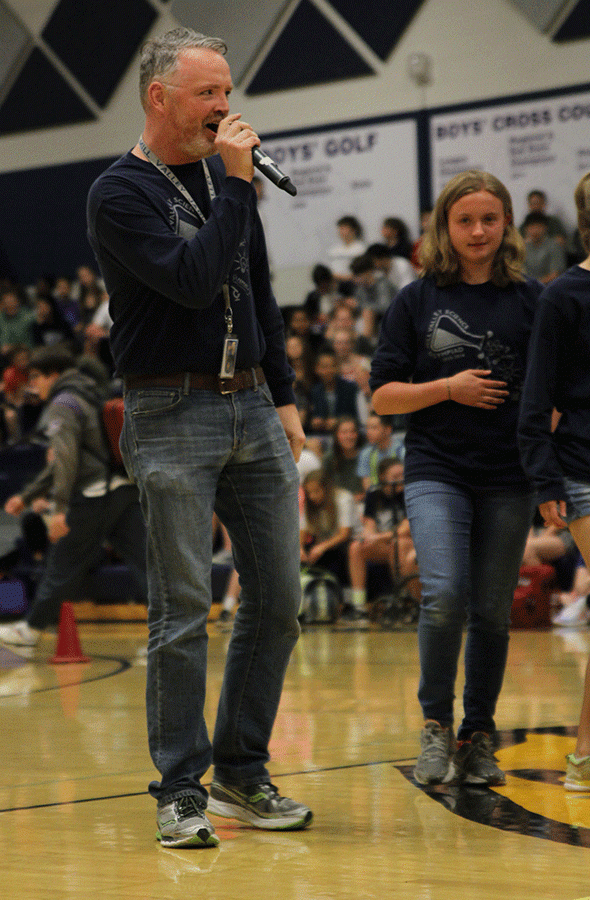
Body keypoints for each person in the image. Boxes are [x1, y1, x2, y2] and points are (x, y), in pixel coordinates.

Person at [86, 26, 312, 847]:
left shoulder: (224, 185)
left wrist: (284, 397)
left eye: (226, 91)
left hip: (252, 404)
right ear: (160, 97)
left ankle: (242, 774)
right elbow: (191, 282)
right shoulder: (121, 194)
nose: (225, 107)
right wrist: (237, 188)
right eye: (208, 93)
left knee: (280, 603)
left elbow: (257, 295)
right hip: (169, 411)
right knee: (183, 609)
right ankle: (180, 789)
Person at [370, 170, 542, 786]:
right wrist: (448, 387)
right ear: (445, 227)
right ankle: (436, 728)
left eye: (489, 219)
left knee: (492, 613)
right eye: (464, 220)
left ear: (506, 225)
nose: (477, 231)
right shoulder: (416, 300)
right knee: (443, 597)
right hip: (436, 470)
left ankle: (478, 735)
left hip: (510, 477)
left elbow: (552, 393)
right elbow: (384, 399)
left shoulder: (532, 299)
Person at [518, 166, 590, 792]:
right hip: (586, 471)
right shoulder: (563, 297)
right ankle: (587, 755)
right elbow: (536, 397)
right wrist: (546, 485)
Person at [0, 347, 147, 647]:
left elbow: (65, 460)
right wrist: (28, 496)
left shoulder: (62, 403)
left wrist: (59, 510)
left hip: (93, 493)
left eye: (36, 378)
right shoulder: (90, 393)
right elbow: (66, 459)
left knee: (63, 563)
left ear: (53, 375)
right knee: (148, 564)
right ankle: (168, 631)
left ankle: (30, 630)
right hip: (122, 488)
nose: (32, 386)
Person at [347, 458, 418, 616]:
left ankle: (406, 600)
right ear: (383, 477)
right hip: (385, 542)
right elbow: (369, 525)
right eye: (395, 476)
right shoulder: (374, 494)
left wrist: (376, 538)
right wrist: (367, 537)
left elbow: (405, 530)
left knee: (398, 543)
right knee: (356, 547)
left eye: (402, 475)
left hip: (407, 543)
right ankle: (358, 605)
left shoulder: (409, 493)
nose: (400, 479)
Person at [300, 469, 354, 587]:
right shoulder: (309, 504)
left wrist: (322, 547)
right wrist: (300, 548)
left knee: (338, 554)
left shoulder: (343, 498)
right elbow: (303, 530)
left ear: (327, 489)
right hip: (324, 543)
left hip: (345, 543)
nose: (312, 496)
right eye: (309, 493)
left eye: (316, 491)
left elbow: (345, 534)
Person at [308, 348, 359, 434]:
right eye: (324, 367)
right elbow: (310, 419)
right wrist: (315, 422)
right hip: (322, 435)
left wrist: (339, 421)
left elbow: (356, 416)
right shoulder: (314, 391)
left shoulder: (350, 388)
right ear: (317, 369)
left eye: (332, 366)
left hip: (347, 434)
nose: (329, 370)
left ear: (337, 367)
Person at [356, 411, 405, 494]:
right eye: (367, 428)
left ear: (388, 429)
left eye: (374, 428)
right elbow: (367, 487)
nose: (368, 432)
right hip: (377, 498)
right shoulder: (365, 453)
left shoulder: (402, 451)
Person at [522, 211, 566, 284]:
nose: (535, 231)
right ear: (526, 229)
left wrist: (535, 285)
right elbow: (519, 272)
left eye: (538, 227)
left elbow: (555, 274)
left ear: (545, 228)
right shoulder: (522, 248)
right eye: (532, 227)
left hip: (549, 288)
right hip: (526, 288)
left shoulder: (554, 246)